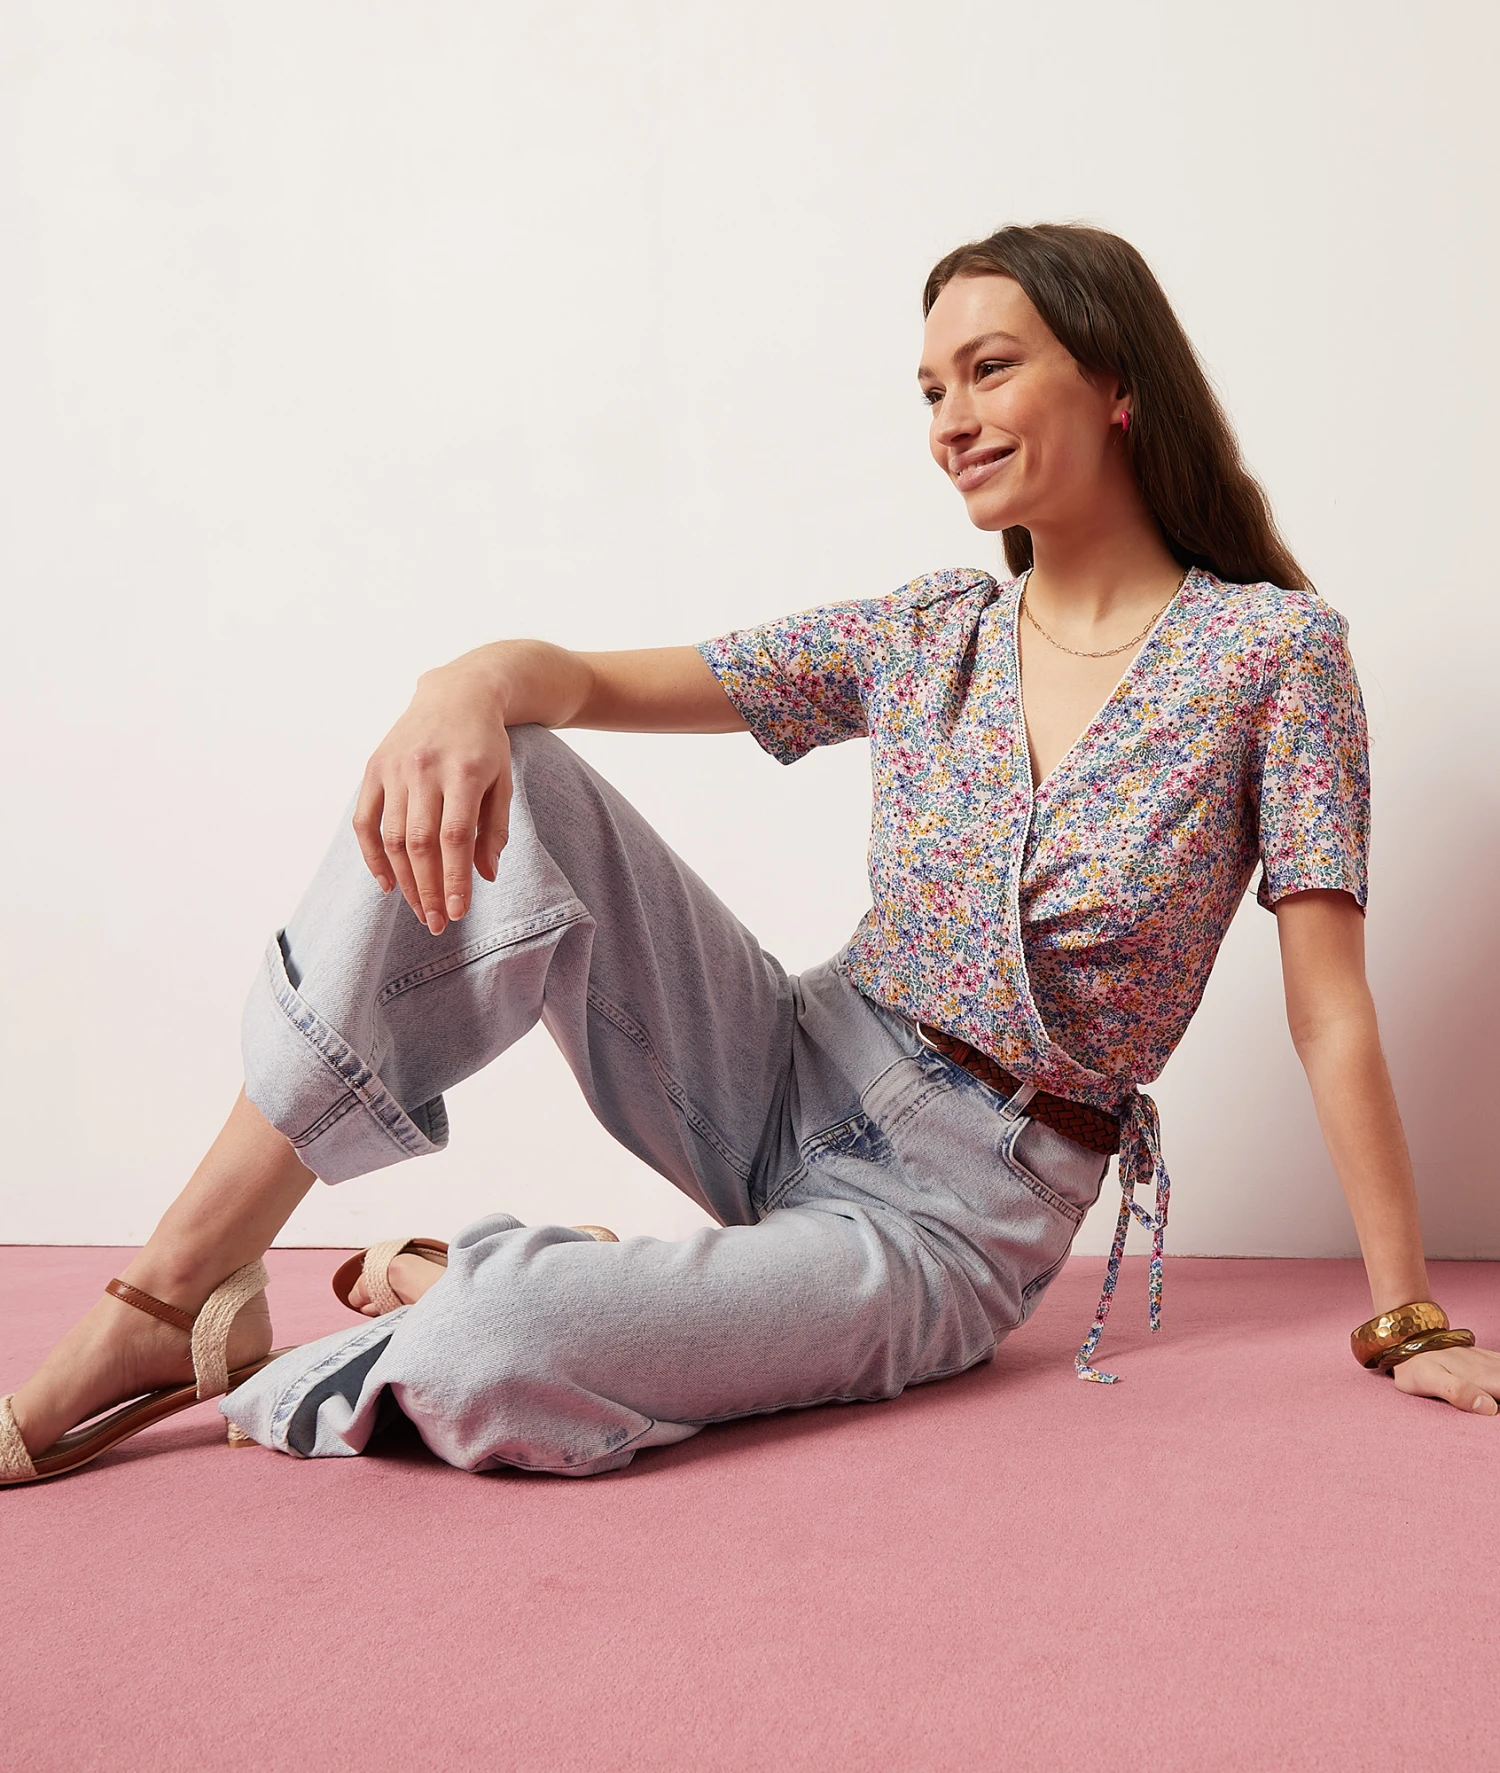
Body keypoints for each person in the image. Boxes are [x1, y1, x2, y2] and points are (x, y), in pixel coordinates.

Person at [5, 222, 1494, 1487]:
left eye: (989, 369)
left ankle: (478, 1282)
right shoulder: (929, 632)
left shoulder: (1271, 656)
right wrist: (459, 683)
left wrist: (1407, 1318)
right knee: (513, 767)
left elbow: (1329, 1010)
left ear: (1119, 383)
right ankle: (175, 1288)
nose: (950, 420)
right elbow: (588, 684)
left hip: (951, 1217)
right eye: (930, 389)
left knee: (499, 1347)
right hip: (780, 1060)